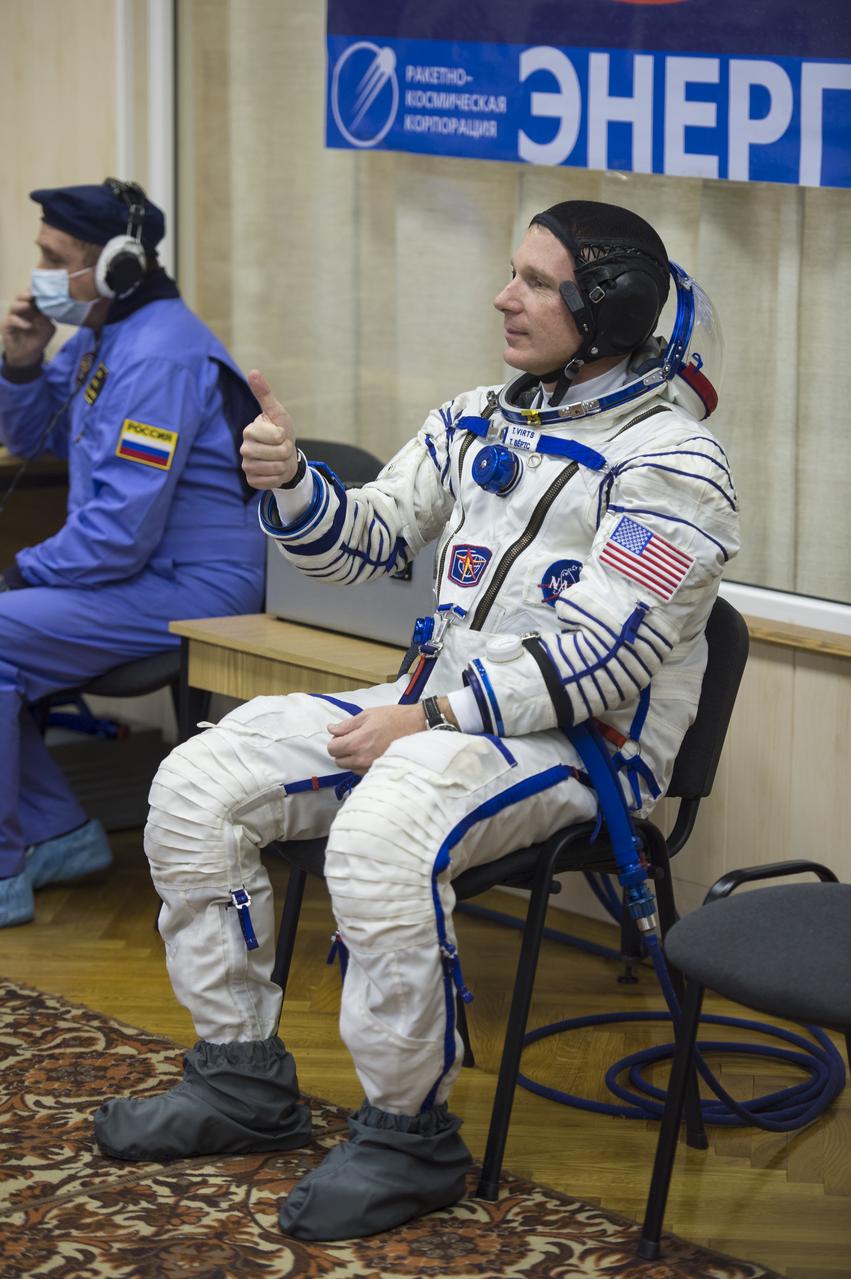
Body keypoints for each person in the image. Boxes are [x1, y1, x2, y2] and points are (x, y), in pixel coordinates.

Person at [94, 200, 740, 1240]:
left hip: (582, 745)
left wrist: (434, 715)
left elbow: (605, 658)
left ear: (607, 310)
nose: (503, 296)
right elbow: (369, 542)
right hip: (434, 712)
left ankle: (409, 1134)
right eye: (512, 272)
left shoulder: (673, 465)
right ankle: (239, 1075)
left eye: (535, 282)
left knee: (380, 832)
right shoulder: (476, 419)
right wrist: (293, 483)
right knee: (196, 782)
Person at [0, 179, 265, 928]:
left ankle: (18, 860)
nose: (41, 277)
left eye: (57, 260)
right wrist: (22, 364)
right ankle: (57, 835)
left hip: (198, 587)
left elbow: (121, 531)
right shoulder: (105, 336)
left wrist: (22, 571)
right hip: (139, 573)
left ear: (117, 264)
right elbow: (37, 438)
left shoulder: (158, 357)